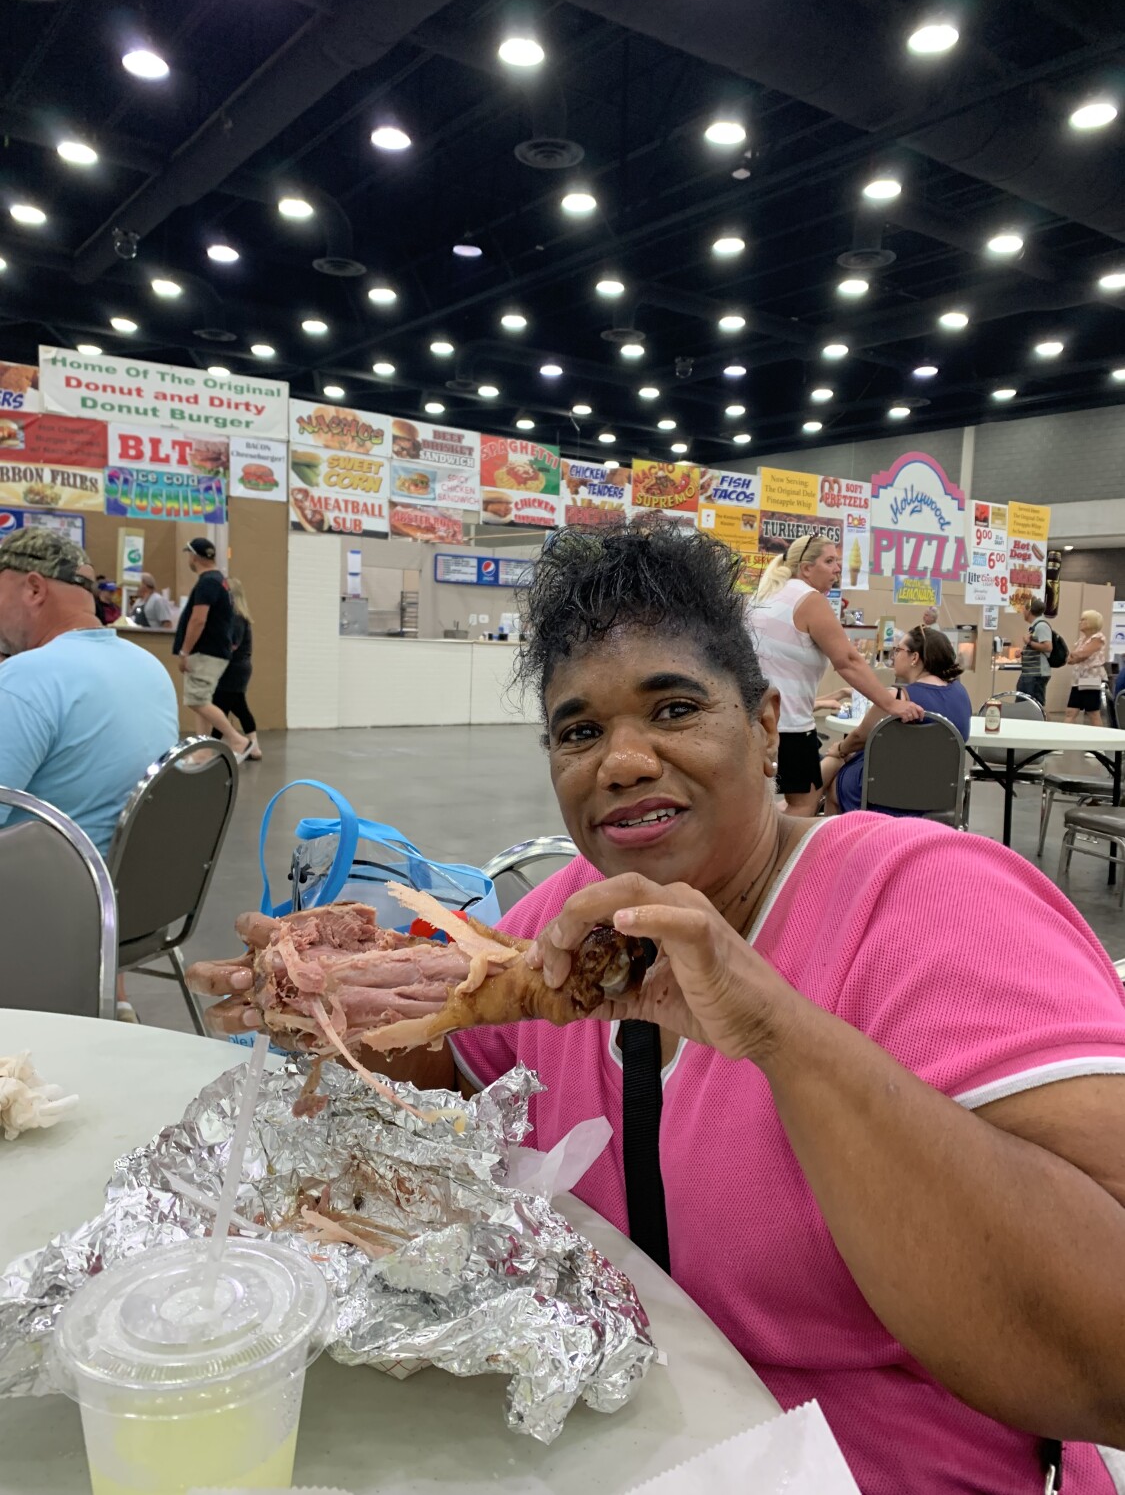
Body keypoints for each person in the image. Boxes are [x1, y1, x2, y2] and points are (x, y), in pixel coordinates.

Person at [432, 524, 1125, 1494]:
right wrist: (339, 987)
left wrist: (779, 1036)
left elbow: (1110, 1359)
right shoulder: (563, 928)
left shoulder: (927, 900)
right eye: (579, 731)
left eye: (673, 708)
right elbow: (440, 1106)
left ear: (766, 725)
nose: (621, 762)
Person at [0, 529, 177, 856]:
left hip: (37, 897)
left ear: (35, 589)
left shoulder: (24, 680)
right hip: (117, 893)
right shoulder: (150, 668)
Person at [748, 534, 922, 815]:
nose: (837, 569)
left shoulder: (766, 596)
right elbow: (849, 661)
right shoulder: (809, 599)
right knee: (802, 805)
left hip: (755, 720)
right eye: (829, 561)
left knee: (759, 807)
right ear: (806, 568)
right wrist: (891, 704)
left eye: (838, 562)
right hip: (789, 727)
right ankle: (784, 859)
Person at [819, 625, 971, 814]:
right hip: (939, 792)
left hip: (886, 790)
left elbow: (859, 737)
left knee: (834, 781)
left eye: (898, 650)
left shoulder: (897, 697)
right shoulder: (961, 694)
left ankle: (834, 838)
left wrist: (839, 749)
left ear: (914, 658)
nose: (894, 656)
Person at [172, 536, 249, 757]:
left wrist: (185, 651)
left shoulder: (208, 582)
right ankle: (202, 750)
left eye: (189, 554)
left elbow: (198, 620)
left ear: (194, 556)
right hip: (215, 651)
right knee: (202, 699)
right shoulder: (220, 581)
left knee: (196, 700)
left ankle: (237, 740)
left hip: (205, 652)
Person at [211, 578, 261, 761]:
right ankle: (253, 748)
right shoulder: (235, 616)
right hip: (236, 669)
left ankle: (210, 747)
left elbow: (231, 645)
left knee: (220, 708)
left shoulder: (236, 617)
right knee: (239, 707)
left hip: (234, 670)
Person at [1065, 610, 1108, 727]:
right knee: (1070, 711)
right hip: (1077, 680)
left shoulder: (1098, 637)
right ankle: (1064, 737)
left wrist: (1075, 655)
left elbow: (1084, 653)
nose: (1080, 622)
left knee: (1093, 712)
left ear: (1092, 622)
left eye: (1084, 619)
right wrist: (1075, 655)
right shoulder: (1080, 641)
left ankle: (1099, 741)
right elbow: (1071, 659)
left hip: (1092, 679)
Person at [1018, 596, 1053, 710]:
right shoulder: (1035, 626)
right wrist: (1024, 652)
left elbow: (1048, 646)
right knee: (1025, 704)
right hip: (1030, 673)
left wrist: (1029, 642)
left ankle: (1045, 726)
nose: (1022, 611)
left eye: (1024, 608)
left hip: (1036, 674)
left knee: (1036, 706)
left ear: (1029, 610)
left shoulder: (1041, 626)